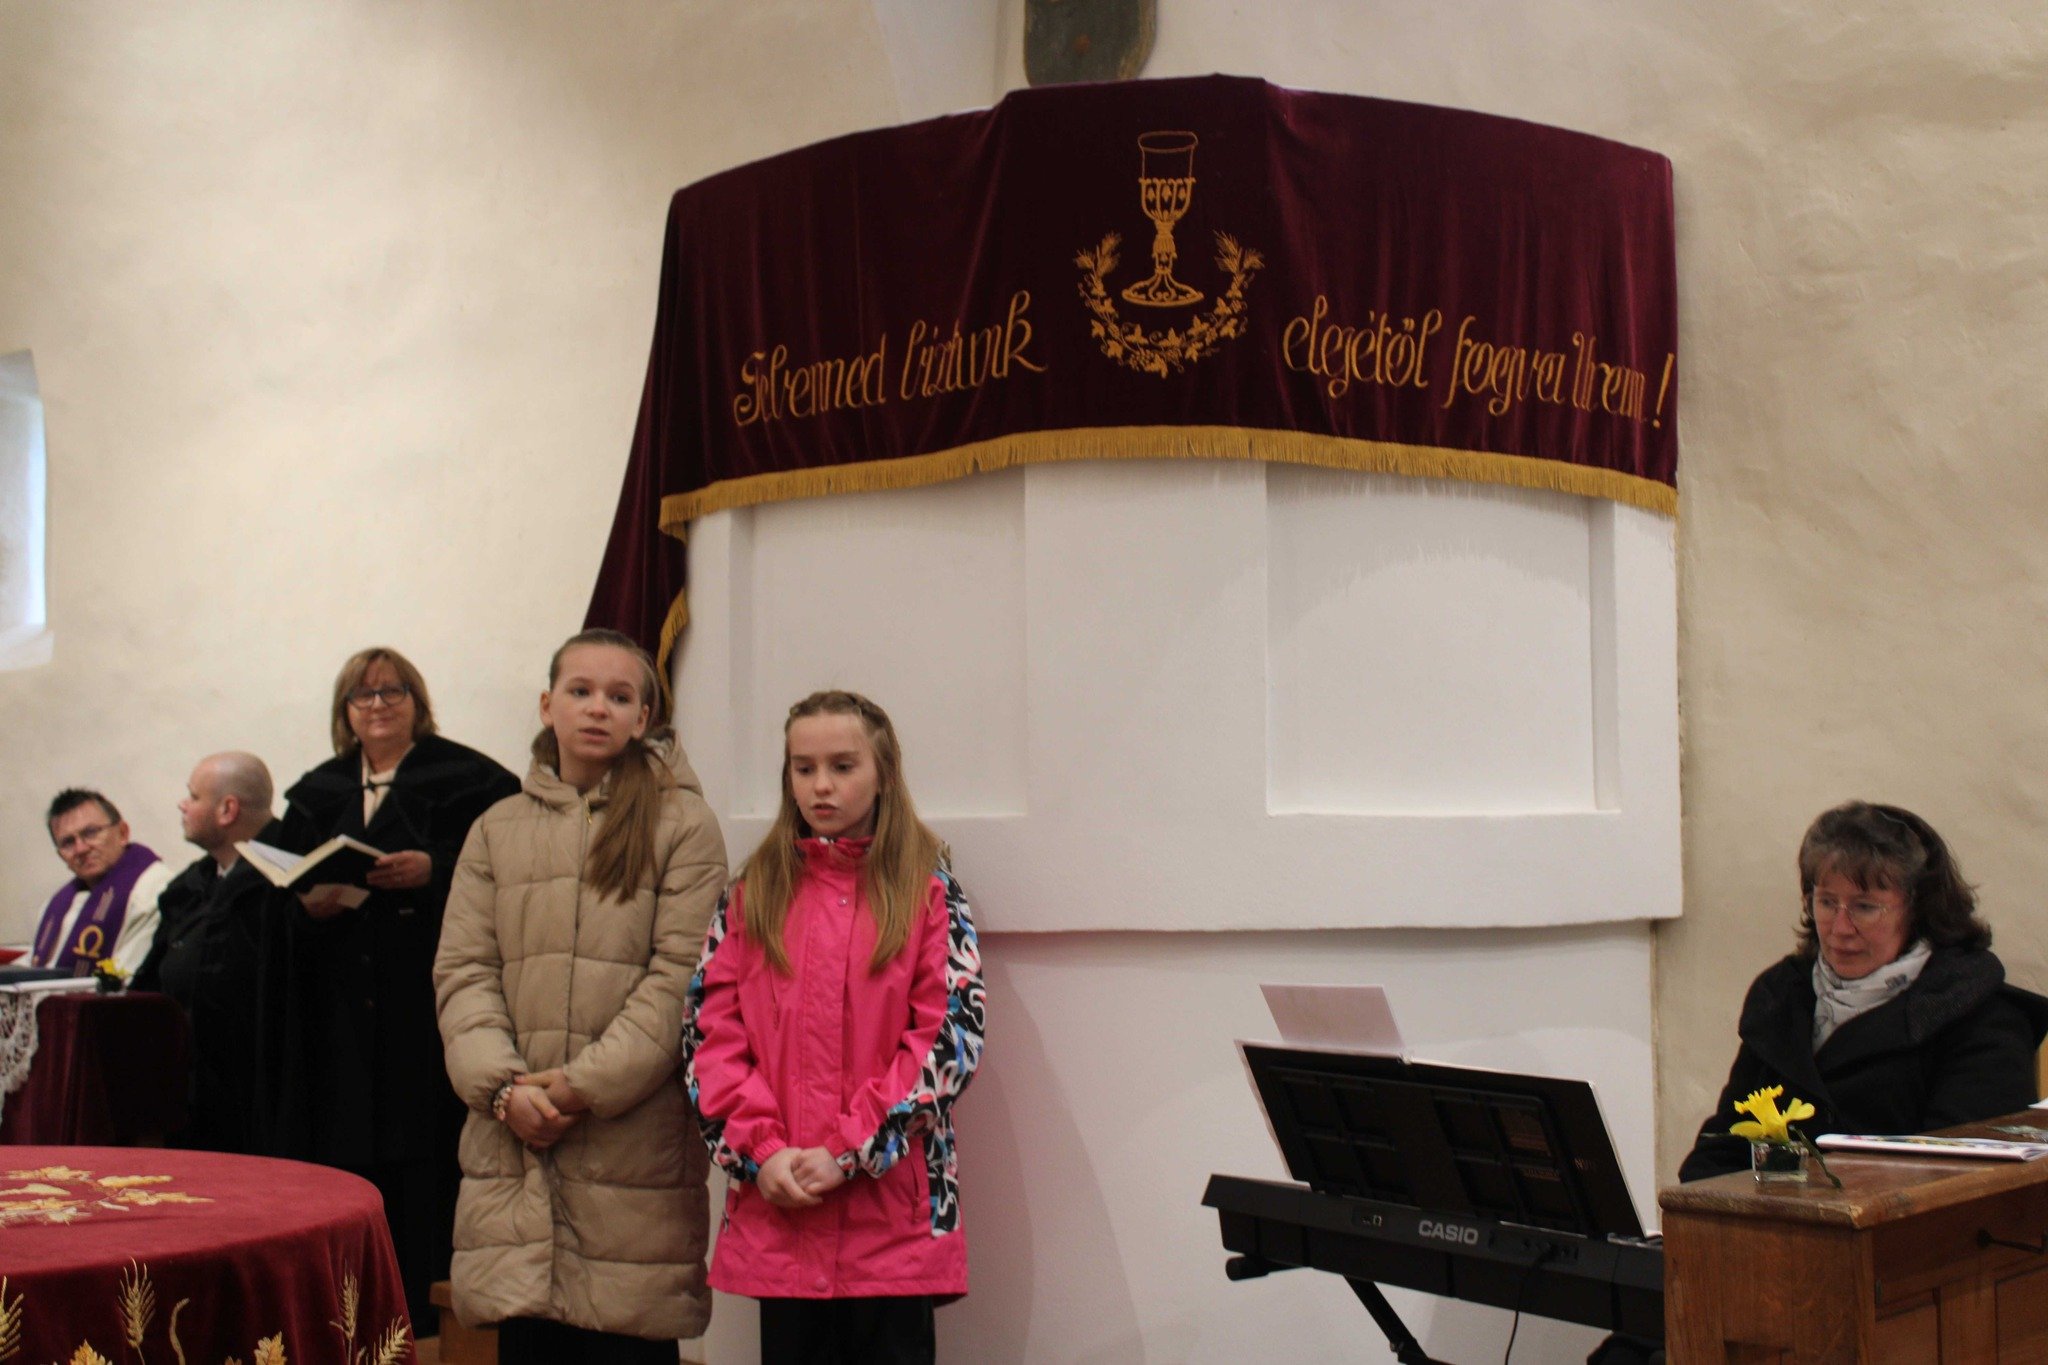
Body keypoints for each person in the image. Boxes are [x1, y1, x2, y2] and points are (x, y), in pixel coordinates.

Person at [435, 628, 728, 1364]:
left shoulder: (683, 824)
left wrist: (576, 1088)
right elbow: (464, 972)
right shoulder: (495, 829)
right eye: (581, 691)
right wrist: (504, 1089)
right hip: (515, 1137)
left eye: (619, 696)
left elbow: (680, 979)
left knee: (626, 1344)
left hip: (630, 1144)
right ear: (548, 705)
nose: (599, 707)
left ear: (643, 717)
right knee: (532, 1340)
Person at [683, 691, 986, 1365]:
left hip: (894, 1221)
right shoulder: (751, 893)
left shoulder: (929, 893)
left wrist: (850, 1149)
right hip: (783, 1212)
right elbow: (710, 1037)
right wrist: (763, 1152)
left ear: (882, 772)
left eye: (842, 766)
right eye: (804, 768)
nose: (821, 785)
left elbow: (948, 1041)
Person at [272, 646, 519, 1333]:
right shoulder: (317, 792)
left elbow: (508, 869)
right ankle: (350, 1320)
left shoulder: (471, 780)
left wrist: (434, 869)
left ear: (417, 702)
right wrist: (308, 906)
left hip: (423, 1004)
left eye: (392, 692)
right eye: (363, 695)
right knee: (347, 1162)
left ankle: (426, 1322)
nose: (378, 705)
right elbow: (283, 896)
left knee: (424, 1164)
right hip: (340, 1021)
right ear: (345, 711)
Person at [1680, 800, 2048, 1181]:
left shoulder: (1979, 1017)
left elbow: (1962, 1180)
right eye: (1826, 902)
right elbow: (1719, 1151)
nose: (1840, 928)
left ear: (1917, 912)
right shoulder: (1784, 998)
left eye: (1865, 907)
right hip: (1778, 1217)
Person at [135, 752, 289, 1153]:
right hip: (193, 1079)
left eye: (193, 796)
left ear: (227, 809)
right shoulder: (194, 883)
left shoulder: (284, 877)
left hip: (253, 1084)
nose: (182, 805)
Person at [31, 789, 172, 979]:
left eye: (90, 833)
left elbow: (122, 977)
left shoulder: (155, 890)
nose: (81, 849)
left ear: (122, 833)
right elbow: (38, 966)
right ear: (60, 855)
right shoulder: (57, 905)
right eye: (68, 842)